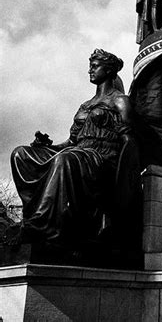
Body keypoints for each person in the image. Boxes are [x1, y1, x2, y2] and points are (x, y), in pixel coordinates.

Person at [11, 50, 140, 255]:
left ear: (108, 70)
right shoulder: (85, 105)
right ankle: (33, 215)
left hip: (102, 159)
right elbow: (71, 142)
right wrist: (45, 147)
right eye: (90, 65)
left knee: (66, 159)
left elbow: (129, 141)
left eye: (95, 65)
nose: (90, 69)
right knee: (21, 155)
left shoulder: (120, 101)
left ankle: (42, 224)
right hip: (77, 153)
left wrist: (124, 180)